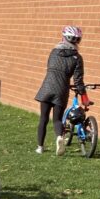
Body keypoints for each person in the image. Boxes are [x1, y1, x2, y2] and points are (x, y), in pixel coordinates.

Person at [35, 26, 85, 155]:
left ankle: (40, 147)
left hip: (47, 87)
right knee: (57, 119)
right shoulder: (77, 58)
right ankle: (59, 137)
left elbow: (50, 68)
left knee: (43, 119)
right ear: (77, 41)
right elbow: (78, 80)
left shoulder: (54, 52)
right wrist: (83, 94)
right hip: (61, 89)